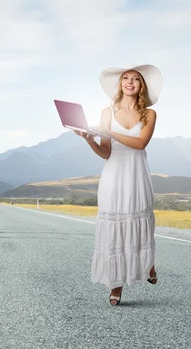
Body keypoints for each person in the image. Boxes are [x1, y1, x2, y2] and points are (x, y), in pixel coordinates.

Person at [74, 64, 162, 306]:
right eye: (125, 78)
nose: (130, 81)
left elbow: (141, 143)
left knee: (139, 223)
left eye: (135, 78)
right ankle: (116, 284)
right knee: (115, 230)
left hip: (137, 175)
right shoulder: (107, 113)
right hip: (113, 176)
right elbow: (105, 152)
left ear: (141, 85)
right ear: (120, 84)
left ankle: (148, 265)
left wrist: (110, 133)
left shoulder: (149, 114)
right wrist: (91, 138)